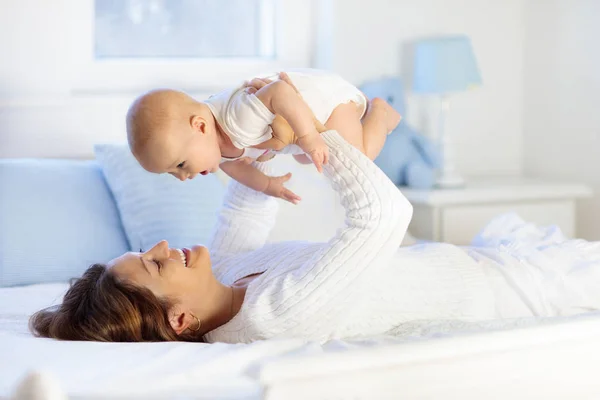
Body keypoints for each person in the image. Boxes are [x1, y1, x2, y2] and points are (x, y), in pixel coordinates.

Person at [30, 109, 600, 344]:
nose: (161, 246)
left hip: (486, 257)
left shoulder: (225, 280)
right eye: (154, 262)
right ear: (180, 318)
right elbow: (383, 217)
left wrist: (248, 140)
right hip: (524, 288)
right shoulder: (279, 311)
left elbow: (243, 210)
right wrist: (312, 131)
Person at [125, 70, 400, 204]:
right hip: (304, 119)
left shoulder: (237, 118)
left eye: (180, 164)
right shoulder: (215, 149)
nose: (183, 176)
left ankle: (380, 112)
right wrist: (268, 185)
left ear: (199, 126)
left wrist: (307, 135)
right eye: (173, 173)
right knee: (309, 161)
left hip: (327, 104)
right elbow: (239, 170)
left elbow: (280, 91)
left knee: (355, 159)